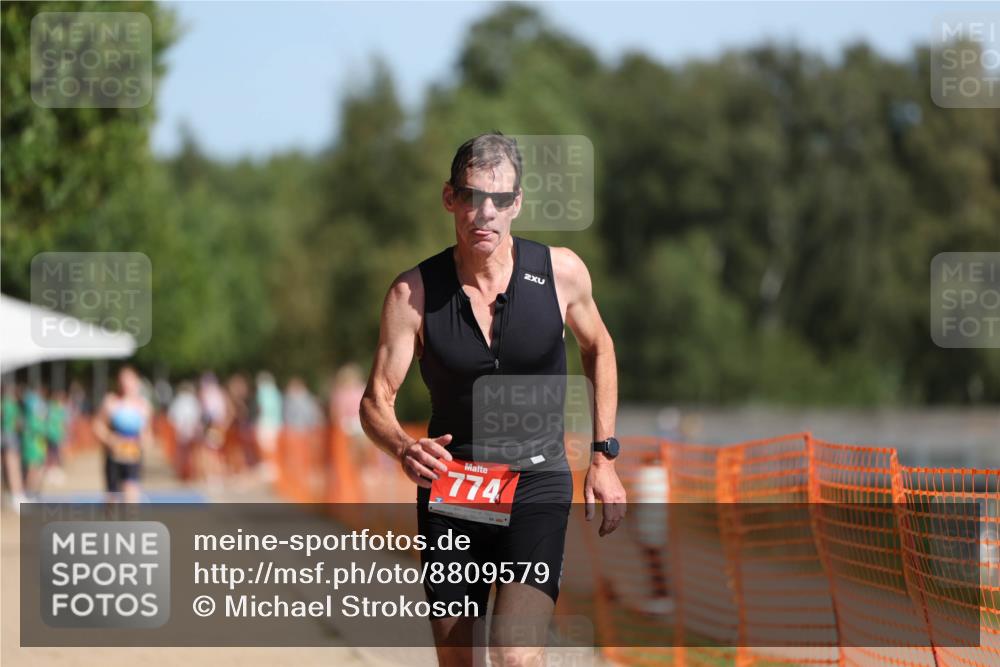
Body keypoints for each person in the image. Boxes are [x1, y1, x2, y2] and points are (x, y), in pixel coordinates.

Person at [360, 132, 626, 667]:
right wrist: (402, 447)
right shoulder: (412, 294)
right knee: (459, 660)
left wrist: (603, 456)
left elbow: (599, 346)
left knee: (514, 654)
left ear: (517, 203)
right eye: (472, 196)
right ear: (449, 198)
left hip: (537, 481)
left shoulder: (560, 272)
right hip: (453, 487)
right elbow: (374, 401)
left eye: (501, 200)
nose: (486, 213)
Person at [93, 366, 153, 503]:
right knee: (112, 498)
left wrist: (145, 441)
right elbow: (97, 425)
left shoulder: (143, 405)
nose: (126, 384)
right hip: (113, 457)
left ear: (136, 381)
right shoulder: (111, 402)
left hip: (133, 456)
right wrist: (110, 439)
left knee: (131, 495)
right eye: (123, 380)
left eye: (129, 380)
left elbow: (147, 432)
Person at [167, 381, 202, 481]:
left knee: (184, 452)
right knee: (189, 453)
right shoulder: (191, 400)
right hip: (187, 429)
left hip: (183, 430)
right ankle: (188, 472)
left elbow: (172, 416)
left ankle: (185, 472)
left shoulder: (180, 400)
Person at [1, 382, 27, 511]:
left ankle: (15, 496)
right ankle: (17, 496)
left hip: (6, 435)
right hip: (10, 436)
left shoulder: (5, 403)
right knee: (13, 467)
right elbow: (19, 423)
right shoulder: (11, 404)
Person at [254, 371, 283, 481]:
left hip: (267, 423)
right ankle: (274, 467)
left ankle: (270, 468)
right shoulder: (276, 392)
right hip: (276, 424)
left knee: (266, 447)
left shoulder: (263, 392)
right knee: (272, 447)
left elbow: (262, 408)